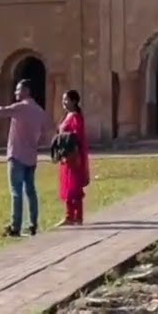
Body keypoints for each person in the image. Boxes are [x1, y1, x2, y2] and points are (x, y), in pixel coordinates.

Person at [0, 79, 51, 237]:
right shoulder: (39, 111)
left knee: (16, 192)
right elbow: (46, 131)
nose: (15, 93)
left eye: (18, 90)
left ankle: (16, 226)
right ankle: (33, 224)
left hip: (17, 155)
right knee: (31, 191)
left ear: (26, 91)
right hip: (31, 156)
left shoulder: (20, 108)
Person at [56, 89, 91, 226]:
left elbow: (76, 136)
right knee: (67, 185)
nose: (64, 102)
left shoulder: (75, 117)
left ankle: (78, 216)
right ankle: (69, 215)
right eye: (63, 99)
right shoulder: (67, 116)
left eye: (66, 99)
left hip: (73, 155)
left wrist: (73, 154)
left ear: (74, 101)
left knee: (74, 186)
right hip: (66, 156)